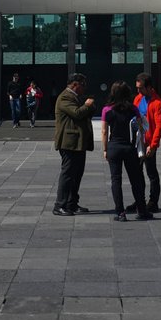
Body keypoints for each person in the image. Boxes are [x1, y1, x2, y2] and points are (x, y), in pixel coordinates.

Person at [101, 81, 151, 221]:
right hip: (130, 148)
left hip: (114, 147)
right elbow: (140, 131)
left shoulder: (107, 110)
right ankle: (141, 210)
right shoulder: (133, 109)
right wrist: (141, 150)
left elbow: (105, 131)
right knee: (135, 180)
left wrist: (105, 149)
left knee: (116, 180)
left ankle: (120, 212)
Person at [53, 73, 96, 215]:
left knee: (76, 174)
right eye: (83, 84)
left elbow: (82, 114)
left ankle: (72, 203)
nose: (85, 87)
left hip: (78, 142)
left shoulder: (75, 97)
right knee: (68, 173)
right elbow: (77, 113)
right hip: (69, 142)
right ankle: (60, 205)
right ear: (74, 84)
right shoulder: (65, 97)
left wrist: (89, 108)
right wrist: (88, 105)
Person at [130, 72, 161, 213]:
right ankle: (140, 200)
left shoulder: (158, 103)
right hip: (138, 141)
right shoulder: (138, 99)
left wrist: (153, 145)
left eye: (141, 88)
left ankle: (153, 201)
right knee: (137, 173)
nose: (138, 91)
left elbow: (159, 126)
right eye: (137, 88)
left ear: (149, 87)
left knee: (151, 172)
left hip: (148, 142)